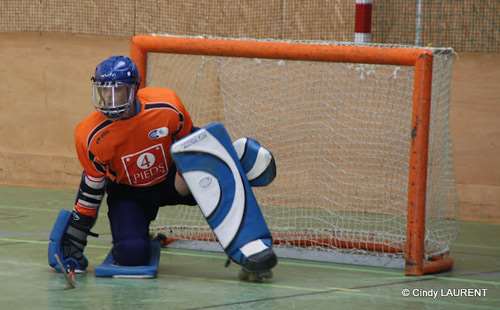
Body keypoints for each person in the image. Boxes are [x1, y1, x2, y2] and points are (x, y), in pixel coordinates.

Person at [48, 55, 277, 281]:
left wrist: (207, 168)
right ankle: (139, 234)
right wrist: (76, 234)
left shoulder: (167, 106)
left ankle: (249, 242)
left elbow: (190, 148)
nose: (110, 98)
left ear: (135, 89)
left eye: (118, 90)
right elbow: (92, 190)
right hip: (129, 193)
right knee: (131, 255)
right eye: (104, 91)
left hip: (172, 180)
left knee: (210, 166)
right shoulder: (89, 135)